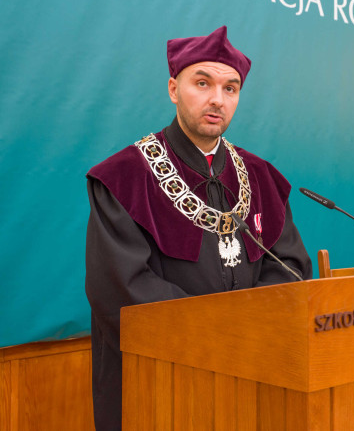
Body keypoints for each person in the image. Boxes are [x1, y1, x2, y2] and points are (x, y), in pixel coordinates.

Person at [85, 26, 312, 431]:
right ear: (174, 88)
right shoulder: (124, 176)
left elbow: (290, 268)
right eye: (202, 83)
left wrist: (251, 336)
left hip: (253, 374)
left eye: (230, 88)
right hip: (160, 379)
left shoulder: (262, 177)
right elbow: (121, 287)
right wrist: (222, 336)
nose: (216, 99)